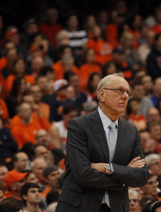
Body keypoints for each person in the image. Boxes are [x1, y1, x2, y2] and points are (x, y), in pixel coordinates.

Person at [56, 73, 149, 212]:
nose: (125, 96)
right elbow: (83, 174)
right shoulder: (79, 125)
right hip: (80, 206)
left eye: (128, 93)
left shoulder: (132, 131)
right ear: (102, 94)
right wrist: (123, 179)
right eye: (120, 90)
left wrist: (108, 167)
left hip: (116, 207)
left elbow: (142, 176)